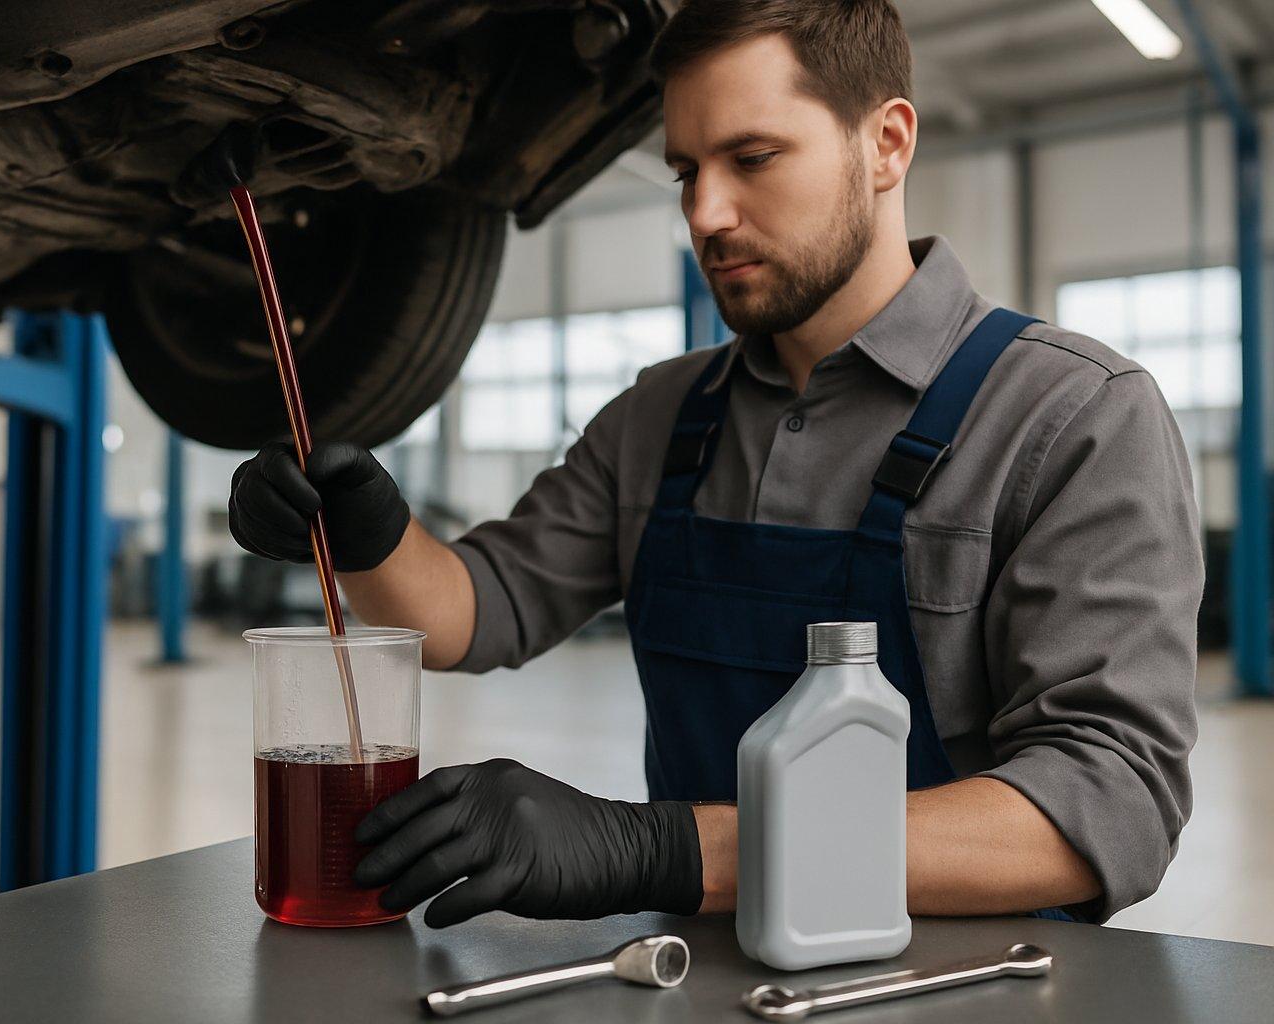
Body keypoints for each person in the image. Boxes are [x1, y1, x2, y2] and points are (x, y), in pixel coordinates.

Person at [228, 0, 1200, 929]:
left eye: (752, 157)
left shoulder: (1072, 415)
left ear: (887, 142)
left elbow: (1106, 802)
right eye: (687, 169)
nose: (706, 212)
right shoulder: (663, 415)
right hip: (699, 974)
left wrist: (666, 850)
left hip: (961, 983)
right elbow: (476, 611)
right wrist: (365, 532)